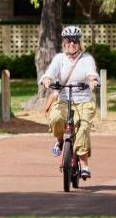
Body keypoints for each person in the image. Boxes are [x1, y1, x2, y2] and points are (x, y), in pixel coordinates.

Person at [40, 25, 99, 179]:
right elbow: (50, 73)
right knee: (56, 118)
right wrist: (47, 80)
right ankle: (60, 140)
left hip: (84, 100)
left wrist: (93, 81)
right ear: (64, 43)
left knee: (83, 128)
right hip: (64, 99)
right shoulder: (59, 58)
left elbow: (92, 72)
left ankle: (84, 165)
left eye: (75, 41)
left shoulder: (87, 58)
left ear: (80, 43)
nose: (71, 44)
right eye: (68, 41)